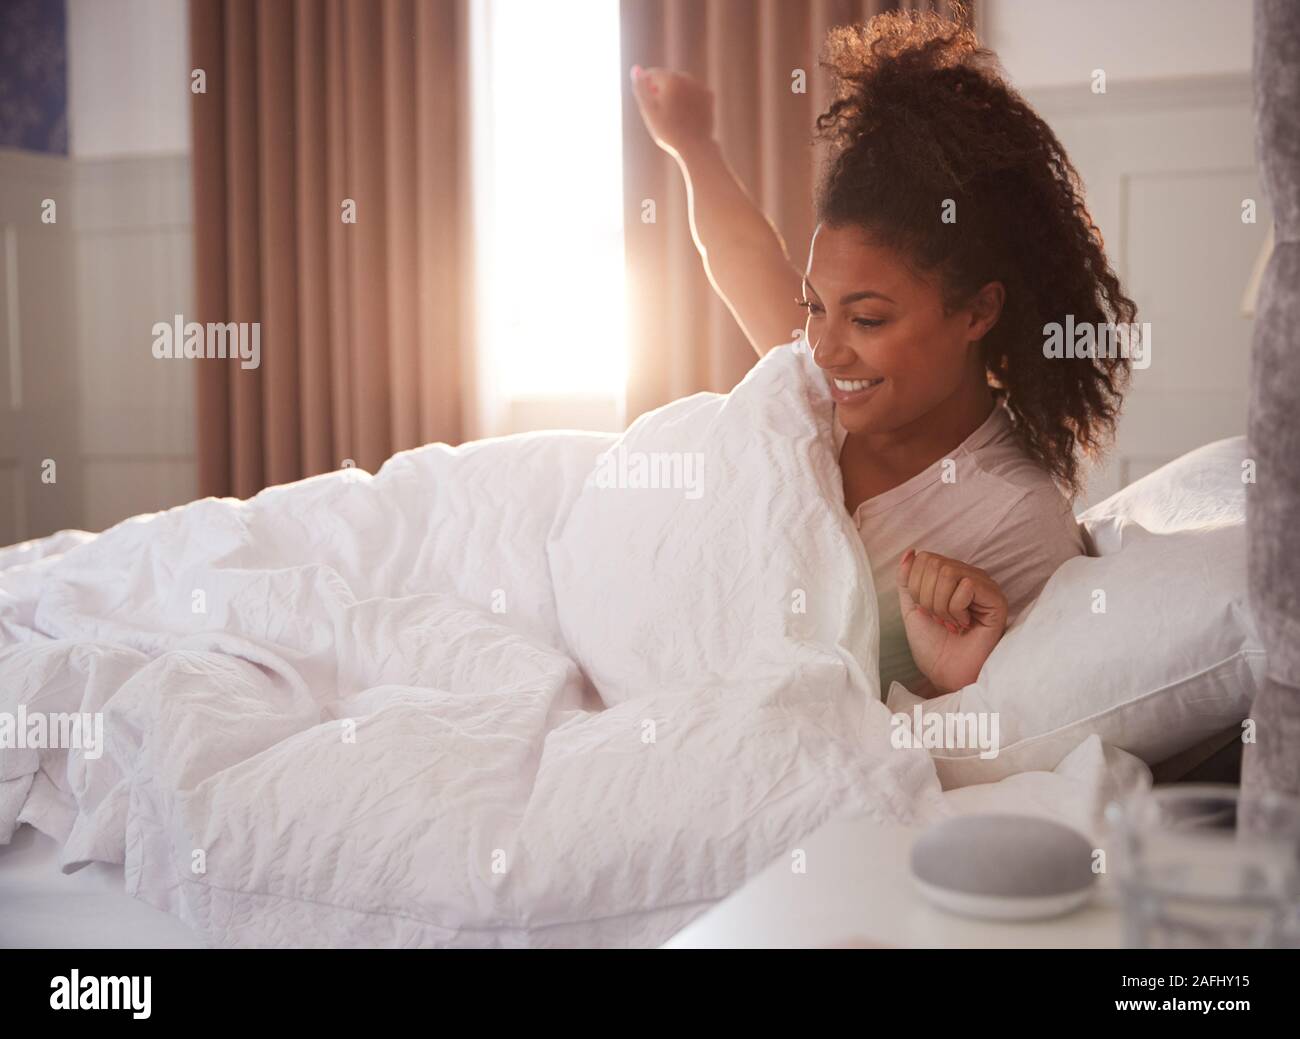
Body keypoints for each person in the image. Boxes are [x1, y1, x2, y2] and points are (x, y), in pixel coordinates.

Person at [630, 9, 1135, 698]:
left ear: (978, 311)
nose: (823, 346)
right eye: (813, 305)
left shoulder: (1016, 518)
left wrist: (953, 679)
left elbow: (1006, 723)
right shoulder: (816, 389)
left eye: (867, 318)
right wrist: (690, 141)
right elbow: (740, 254)